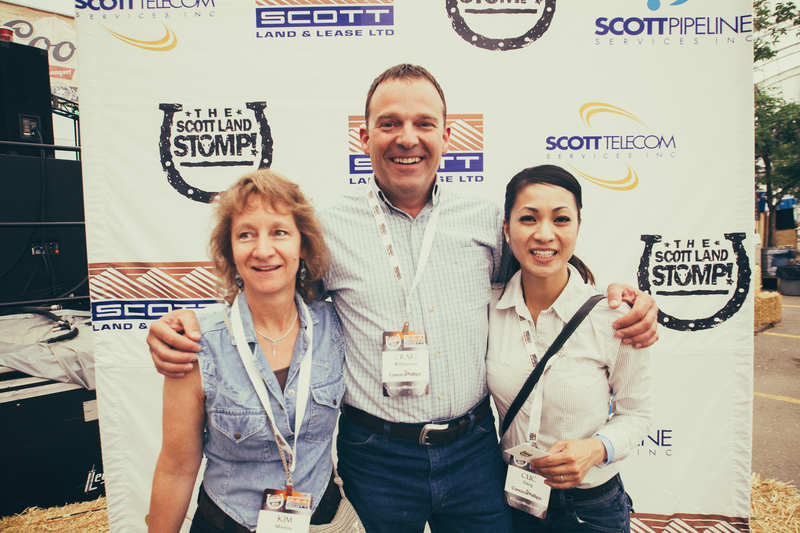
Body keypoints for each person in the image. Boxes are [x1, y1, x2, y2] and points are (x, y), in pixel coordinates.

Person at [147, 65, 659, 533]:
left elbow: (545, 268)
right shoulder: (327, 226)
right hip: (376, 457)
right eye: (389, 123)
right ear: (364, 136)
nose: (407, 138)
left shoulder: (487, 221)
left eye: (424, 123)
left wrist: (624, 297)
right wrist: (186, 325)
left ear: (447, 135)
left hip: (473, 452)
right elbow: (272, 295)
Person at [147, 170, 345, 533]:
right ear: (230, 251)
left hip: (320, 519)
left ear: (302, 245)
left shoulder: (335, 326)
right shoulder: (195, 343)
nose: (263, 250)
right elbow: (176, 468)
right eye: (246, 235)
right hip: (227, 522)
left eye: (279, 232)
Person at [488, 165, 652, 533]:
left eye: (561, 219)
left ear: (578, 226)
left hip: (590, 507)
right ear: (506, 228)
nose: (545, 234)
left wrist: (596, 448)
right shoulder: (488, 308)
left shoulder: (615, 318)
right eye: (528, 218)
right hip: (509, 499)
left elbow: (637, 414)